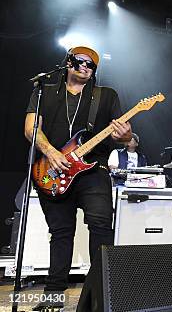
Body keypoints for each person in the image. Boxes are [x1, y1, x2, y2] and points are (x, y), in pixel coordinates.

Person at [24, 46, 132, 310]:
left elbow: (125, 137)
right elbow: (30, 128)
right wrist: (49, 152)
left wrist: (125, 135)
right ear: (68, 62)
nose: (85, 66)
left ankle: (101, 294)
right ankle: (53, 294)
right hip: (51, 171)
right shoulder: (44, 92)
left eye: (91, 65)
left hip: (93, 171)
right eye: (80, 61)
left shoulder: (105, 96)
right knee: (60, 233)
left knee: (100, 226)